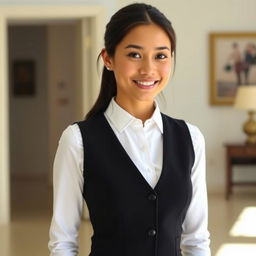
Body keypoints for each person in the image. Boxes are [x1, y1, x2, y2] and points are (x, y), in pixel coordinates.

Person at [48, 3, 211, 256]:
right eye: (134, 54)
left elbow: (197, 240)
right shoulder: (78, 141)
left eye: (161, 55)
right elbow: (63, 243)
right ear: (108, 59)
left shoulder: (191, 138)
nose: (148, 69)